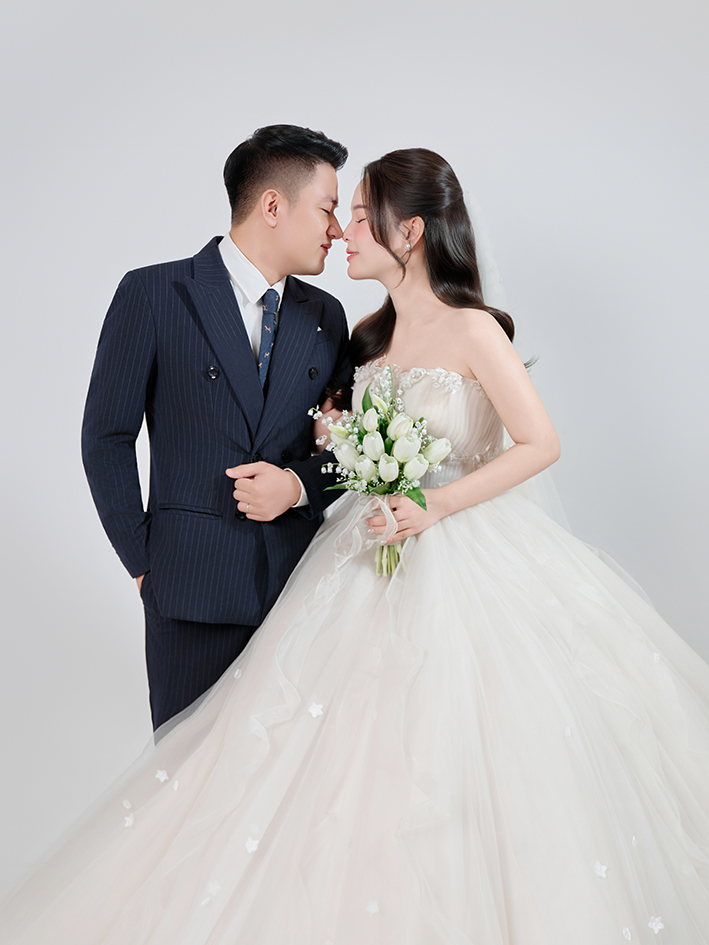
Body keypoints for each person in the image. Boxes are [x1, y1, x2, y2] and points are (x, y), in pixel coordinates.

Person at [3, 149, 709, 944]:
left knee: (449, 752)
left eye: (363, 215)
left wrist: (429, 503)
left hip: (458, 556)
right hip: (352, 558)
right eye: (338, 210)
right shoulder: (364, 336)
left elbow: (539, 442)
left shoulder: (470, 328)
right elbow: (325, 449)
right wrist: (321, 453)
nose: (344, 229)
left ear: (410, 232)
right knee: (310, 757)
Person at [81, 124, 351, 730]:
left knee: (291, 778)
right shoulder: (154, 293)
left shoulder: (326, 317)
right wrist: (144, 563)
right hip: (188, 590)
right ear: (273, 206)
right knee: (186, 773)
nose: (337, 229)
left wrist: (297, 486)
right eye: (327, 209)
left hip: (298, 590)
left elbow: (347, 452)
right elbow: (105, 437)